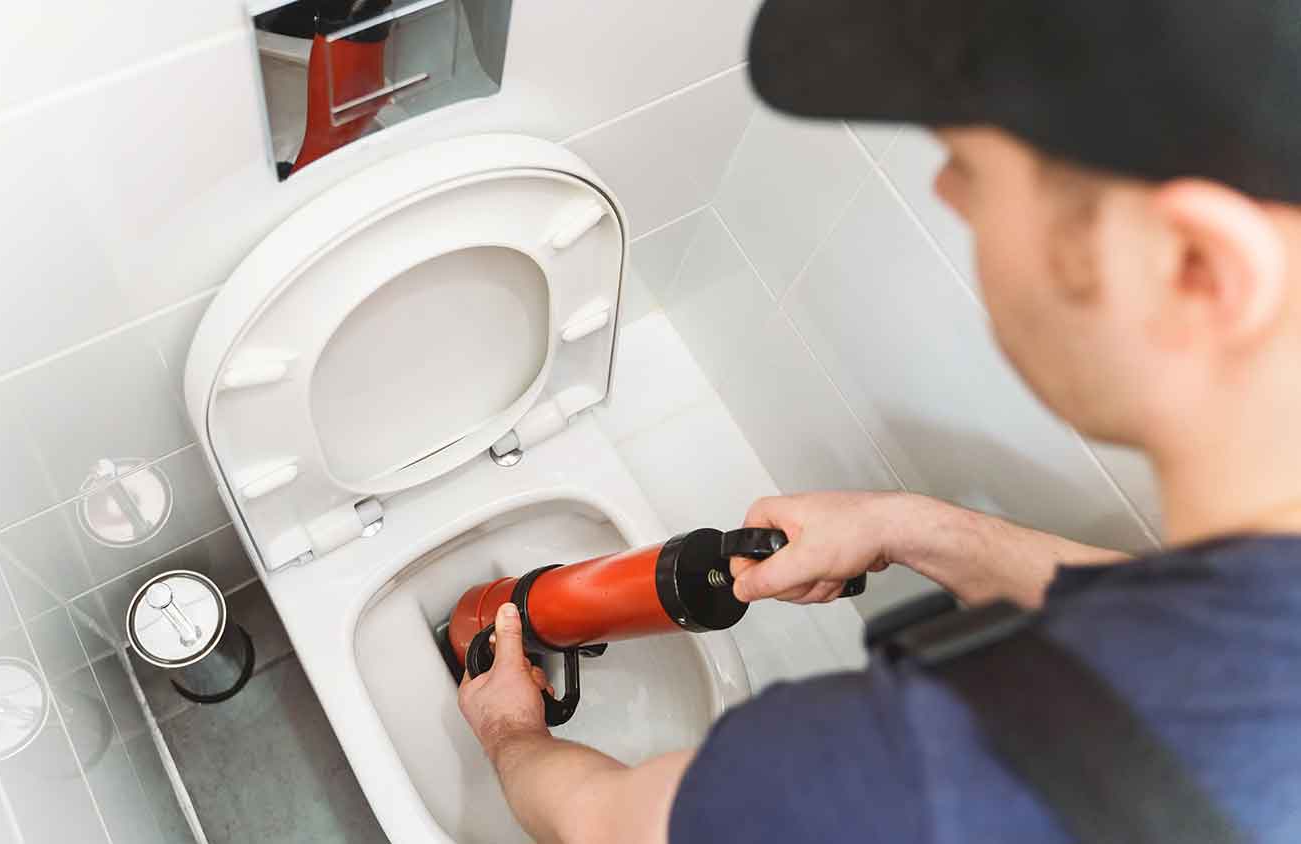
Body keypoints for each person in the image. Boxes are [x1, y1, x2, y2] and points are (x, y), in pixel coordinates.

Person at [457, 0, 1301, 841]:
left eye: (973, 164)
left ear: (1198, 267)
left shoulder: (921, 783)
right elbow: (1165, 631)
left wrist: (510, 733)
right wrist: (904, 528)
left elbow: (605, 826)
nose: (945, 191)